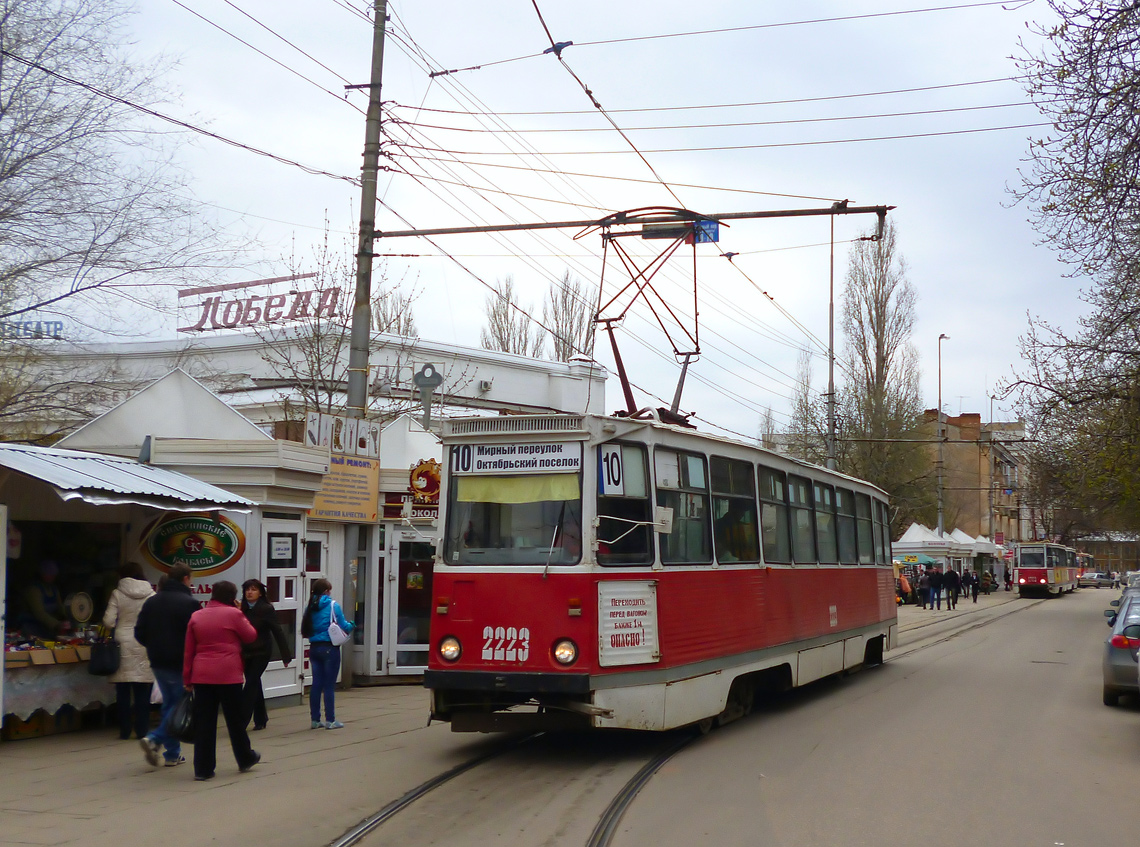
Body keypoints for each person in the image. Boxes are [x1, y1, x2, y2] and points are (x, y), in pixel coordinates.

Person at [184, 581, 259, 781]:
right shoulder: (234, 614)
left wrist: (187, 678)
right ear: (232, 597)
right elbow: (250, 636)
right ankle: (245, 757)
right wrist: (240, 613)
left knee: (204, 722)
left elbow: (189, 650)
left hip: (202, 674)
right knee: (235, 720)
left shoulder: (196, 616)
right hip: (228, 674)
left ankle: (203, 769)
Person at [135, 564, 199, 768]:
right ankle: (155, 738)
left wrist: (154, 645)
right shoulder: (190, 603)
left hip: (157, 660)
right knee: (177, 704)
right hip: (181, 661)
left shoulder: (152, 602)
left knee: (169, 704)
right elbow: (198, 634)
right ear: (186, 578)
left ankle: (172, 753)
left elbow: (139, 632)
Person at [102, 561, 155, 740]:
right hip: (143, 642)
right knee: (142, 690)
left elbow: (108, 622)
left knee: (123, 690)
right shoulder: (151, 594)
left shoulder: (117, 593)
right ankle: (142, 730)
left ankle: (124, 731)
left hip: (122, 642)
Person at [240, 579, 293, 731]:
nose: (250, 592)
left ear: (260, 593)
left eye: (253, 589)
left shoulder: (266, 609)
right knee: (255, 683)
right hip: (246, 652)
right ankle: (261, 718)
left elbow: (277, 631)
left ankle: (241, 721)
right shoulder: (241, 608)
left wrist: (285, 655)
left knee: (250, 684)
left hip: (261, 652)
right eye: (247, 590)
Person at [305, 578, 354, 730]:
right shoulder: (333, 605)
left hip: (314, 648)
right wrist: (352, 625)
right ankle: (330, 720)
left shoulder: (310, 606)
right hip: (329, 648)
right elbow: (344, 625)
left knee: (316, 684)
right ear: (326, 591)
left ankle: (315, 720)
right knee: (329, 685)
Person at [20, 559, 71, 639]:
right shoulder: (33, 590)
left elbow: (60, 607)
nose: (52, 577)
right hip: (31, 628)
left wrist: (71, 616)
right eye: (49, 574)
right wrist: (57, 624)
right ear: (42, 574)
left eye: (53, 575)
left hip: (46, 629)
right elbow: (39, 613)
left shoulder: (54, 589)